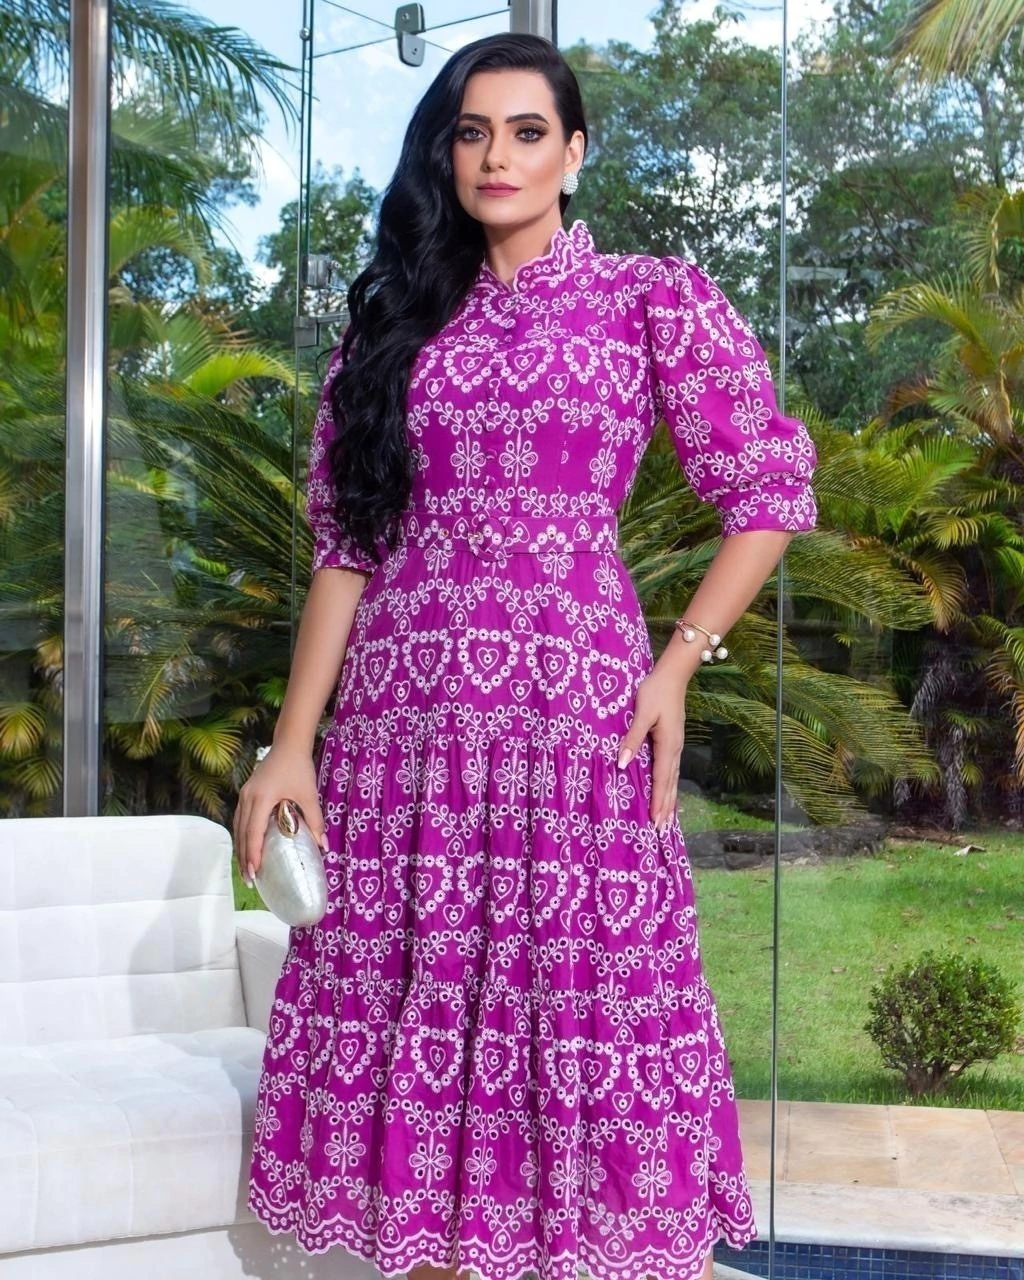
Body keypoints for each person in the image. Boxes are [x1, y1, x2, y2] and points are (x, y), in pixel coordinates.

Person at [235, 30, 816, 1280]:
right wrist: (291, 745)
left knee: (587, 1016)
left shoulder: (648, 299)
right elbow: (347, 545)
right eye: (472, 131)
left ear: (574, 152)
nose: (496, 156)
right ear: (446, 154)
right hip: (402, 734)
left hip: (575, 721)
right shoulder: (392, 325)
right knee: (418, 1037)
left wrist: (677, 662)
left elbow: (767, 486)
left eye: (527, 131)